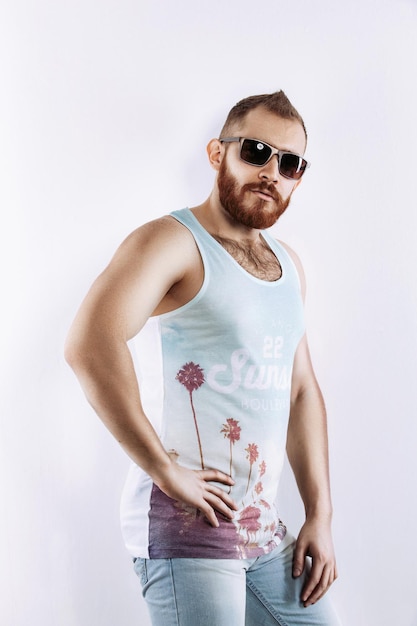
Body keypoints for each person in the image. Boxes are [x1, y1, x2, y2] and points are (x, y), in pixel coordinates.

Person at [65, 90, 341, 625]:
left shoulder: (289, 266)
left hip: (263, 529)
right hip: (187, 525)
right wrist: (165, 471)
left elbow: (301, 388)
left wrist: (320, 516)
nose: (271, 172)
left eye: (289, 163)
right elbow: (89, 344)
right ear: (218, 152)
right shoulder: (171, 242)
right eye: (256, 151)